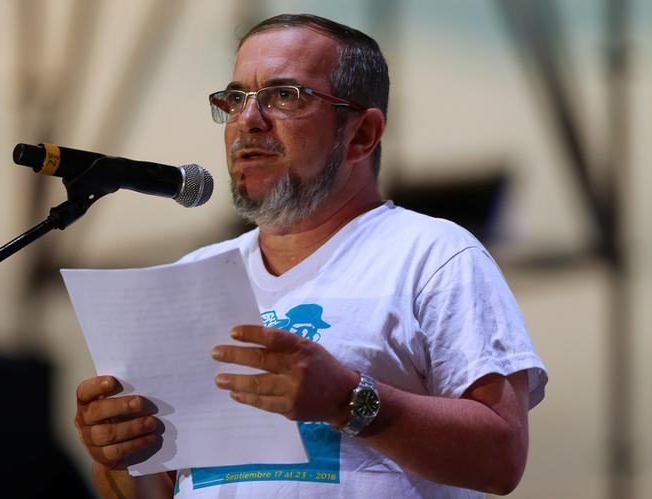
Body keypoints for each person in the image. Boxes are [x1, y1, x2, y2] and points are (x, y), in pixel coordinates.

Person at [73, 13, 548, 498]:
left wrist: (347, 399)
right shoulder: (190, 277)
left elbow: (502, 457)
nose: (249, 120)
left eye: (285, 96)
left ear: (361, 134)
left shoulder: (434, 255)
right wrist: (113, 454)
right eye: (236, 99)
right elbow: (151, 491)